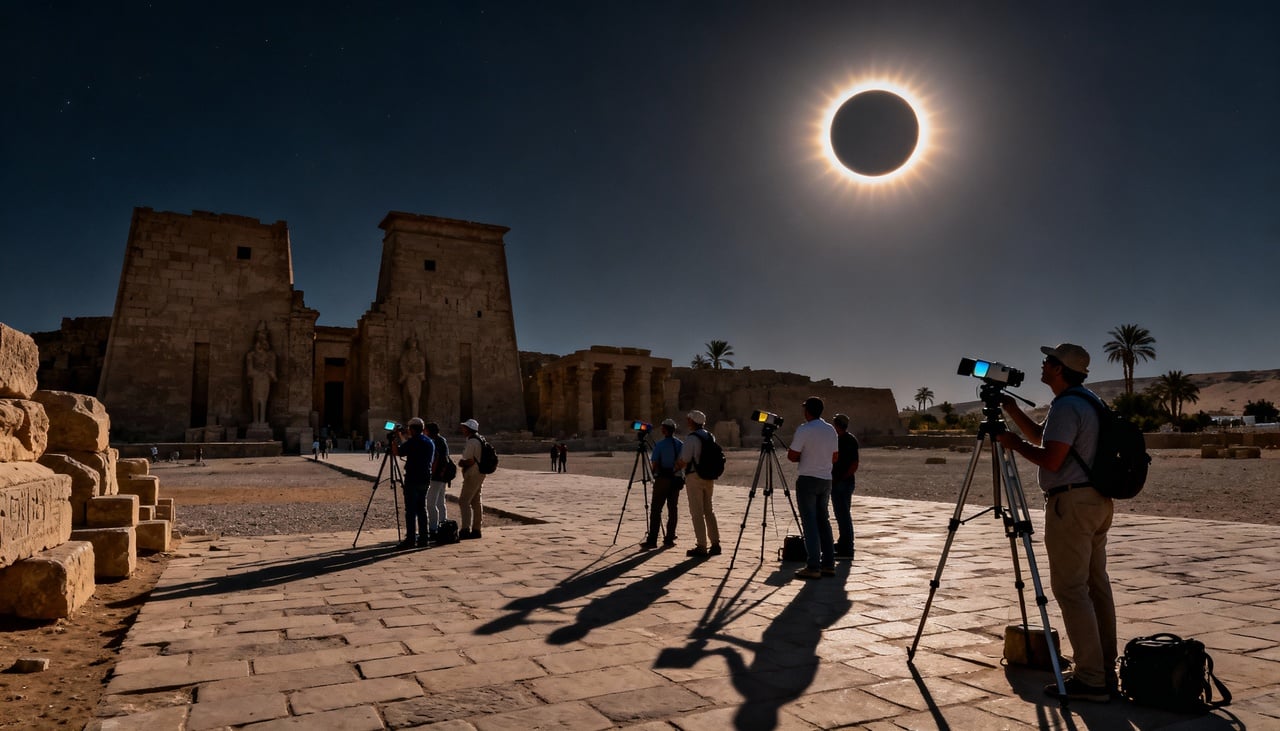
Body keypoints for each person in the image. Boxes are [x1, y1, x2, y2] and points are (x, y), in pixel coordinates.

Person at [995, 343, 1116, 703]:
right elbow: (1043, 438)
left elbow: (1050, 459)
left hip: (1072, 503)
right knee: (1096, 587)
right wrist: (1014, 412)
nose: (1043, 366)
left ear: (1060, 369)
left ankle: (1091, 678)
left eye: (1049, 362)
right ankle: (1104, 668)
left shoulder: (1067, 406)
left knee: (1071, 589)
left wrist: (1011, 443)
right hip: (1096, 500)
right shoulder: (1087, 401)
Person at [787, 397, 839, 579]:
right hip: (826, 479)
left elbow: (792, 456)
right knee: (823, 520)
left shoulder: (804, 429)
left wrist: (806, 457)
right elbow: (834, 457)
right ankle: (829, 564)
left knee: (809, 522)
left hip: (808, 479)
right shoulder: (830, 429)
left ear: (807, 411)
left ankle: (813, 565)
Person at [675, 410, 721, 558]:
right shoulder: (710, 436)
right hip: (709, 476)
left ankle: (701, 545)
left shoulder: (691, 438)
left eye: (688, 420)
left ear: (692, 422)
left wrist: (675, 467)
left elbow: (686, 459)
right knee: (709, 510)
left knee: (697, 512)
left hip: (695, 476)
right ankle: (715, 543)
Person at [641, 418, 684, 550]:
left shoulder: (660, 445)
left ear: (664, 430)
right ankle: (669, 538)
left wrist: (654, 475)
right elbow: (683, 461)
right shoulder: (680, 444)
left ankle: (652, 539)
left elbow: (655, 464)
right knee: (673, 509)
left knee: (656, 509)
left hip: (663, 479)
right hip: (676, 479)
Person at [392, 417, 435, 549]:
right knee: (421, 508)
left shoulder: (414, 441)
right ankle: (423, 538)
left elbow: (397, 452)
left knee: (410, 510)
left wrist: (393, 439)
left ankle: (410, 539)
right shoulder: (429, 441)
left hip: (413, 478)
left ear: (412, 429)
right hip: (425, 477)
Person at [831, 412, 860, 559]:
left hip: (842, 482)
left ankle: (847, 546)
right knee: (842, 514)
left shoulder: (848, 440)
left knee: (843, 515)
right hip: (841, 481)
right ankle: (843, 542)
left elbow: (854, 464)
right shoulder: (842, 439)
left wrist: (842, 478)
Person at [457, 419, 487, 539]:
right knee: (475, 501)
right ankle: (476, 529)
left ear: (469, 429)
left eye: (464, 427)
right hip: (480, 472)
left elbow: (469, 460)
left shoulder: (472, 442)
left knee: (463, 501)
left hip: (473, 472)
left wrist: (461, 463)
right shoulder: (479, 439)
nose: (462, 429)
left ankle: (465, 529)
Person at [425, 421, 450, 538]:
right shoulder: (442, 440)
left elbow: (438, 459)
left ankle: (433, 528)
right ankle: (443, 524)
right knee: (440, 502)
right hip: (442, 477)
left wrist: (432, 473)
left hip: (436, 476)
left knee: (430, 503)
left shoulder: (434, 442)